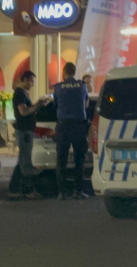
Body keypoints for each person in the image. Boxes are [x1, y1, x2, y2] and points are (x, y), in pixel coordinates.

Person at [8, 71, 47, 199]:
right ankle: (27, 190)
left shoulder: (23, 93)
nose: (32, 84)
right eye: (31, 81)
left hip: (27, 130)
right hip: (24, 131)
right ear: (25, 79)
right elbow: (23, 112)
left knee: (22, 162)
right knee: (26, 163)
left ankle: (15, 188)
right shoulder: (19, 94)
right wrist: (36, 106)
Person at [55, 63, 90, 200]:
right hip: (78, 126)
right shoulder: (82, 86)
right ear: (74, 72)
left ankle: (62, 192)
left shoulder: (58, 87)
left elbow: (56, 106)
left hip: (63, 125)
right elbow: (86, 105)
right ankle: (78, 191)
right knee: (79, 160)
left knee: (61, 160)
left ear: (64, 73)